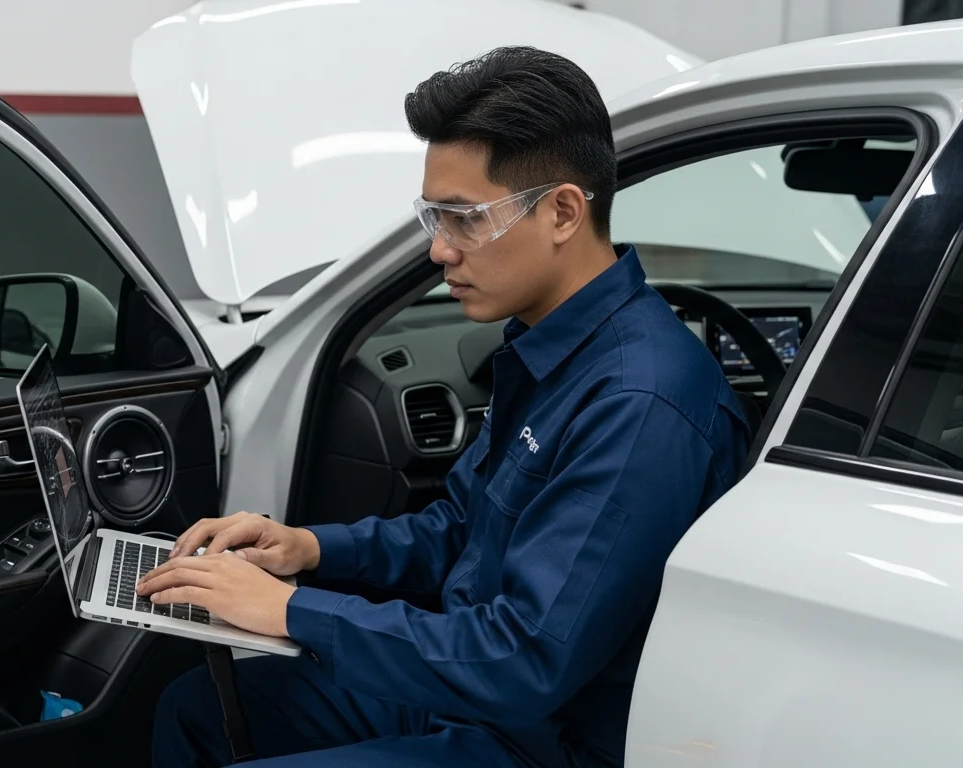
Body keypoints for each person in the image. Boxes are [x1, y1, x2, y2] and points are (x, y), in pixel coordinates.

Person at [137, 45, 751, 767]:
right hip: (471, 692)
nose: (438, 251)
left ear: (561, 212)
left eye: (464, 220)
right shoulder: (548, 347)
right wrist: (308, 549)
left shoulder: (638, 403)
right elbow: (461, 528)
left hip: (542, 737)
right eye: (434, 217)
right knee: (198, 709)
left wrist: (290, 609)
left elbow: (523, 659)